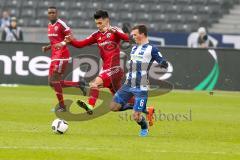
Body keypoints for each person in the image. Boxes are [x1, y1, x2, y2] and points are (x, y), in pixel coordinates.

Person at [110, 25, 168, 136]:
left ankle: (144, 127)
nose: (133, 37)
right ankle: (146, 109)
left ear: (142, 34)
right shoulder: (134, 48)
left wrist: (162, 63)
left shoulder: (152, 49)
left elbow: (162, 61)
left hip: (141, 86)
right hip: (128, 84)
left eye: (135, 34)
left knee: (135, 116)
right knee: (113, 107)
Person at [42, 6, 86, 112]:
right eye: (50, 13)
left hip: (61, 55)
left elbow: (70, 36)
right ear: (48, 14)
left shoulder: (61, 24)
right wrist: (48, 47)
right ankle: (78, 84)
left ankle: (62, 106)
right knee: (51, 82)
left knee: (54, 81)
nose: (52, 14)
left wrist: (62, 43)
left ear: (57, 14)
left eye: (53, 12)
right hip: (54, 55)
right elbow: (54, 41)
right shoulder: (49, 25)